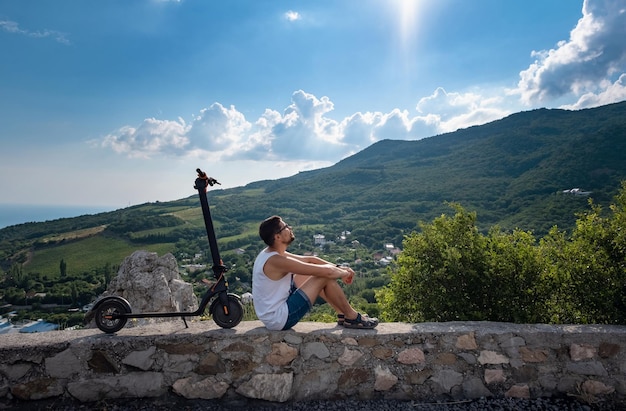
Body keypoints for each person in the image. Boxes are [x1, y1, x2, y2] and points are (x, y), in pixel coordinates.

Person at [252, 215, 378, 331]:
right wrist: (344, 274)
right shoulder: (276, 260)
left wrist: (341, 268)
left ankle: (342, 314)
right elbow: (327, 273)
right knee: (323, 277)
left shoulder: (270, 254)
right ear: (277, 236)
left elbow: (311, 260)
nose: (290, 228)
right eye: (285, 227)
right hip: (279, 319)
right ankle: (352, 316)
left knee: (307, 273)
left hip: (274, 314)